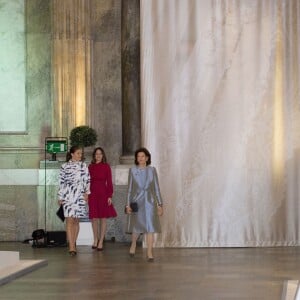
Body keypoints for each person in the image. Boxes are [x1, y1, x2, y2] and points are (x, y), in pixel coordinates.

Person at [125, 147, 163, 262]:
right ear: (136, 158)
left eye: (143, 156)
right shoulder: (132, 170)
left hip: (150, 202)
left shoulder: (152, 170)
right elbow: (130, 189)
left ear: (147, 158)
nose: (140, 158)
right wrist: (127, 205)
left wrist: (160, 204)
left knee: (150, 227)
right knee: (137, 227)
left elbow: (156, 188)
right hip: (136, 201)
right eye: (138, 156)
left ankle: (150, 251)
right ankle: (133, 244)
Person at [57, 145, 90, 256]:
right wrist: (60, 197)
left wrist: (87, 193)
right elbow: (61, 182)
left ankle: (73, 243)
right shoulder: (64, 166)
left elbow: (87, 180)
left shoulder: (84, 166)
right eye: (78, 153)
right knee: (69, 220)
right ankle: (71, 247)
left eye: (81, 154)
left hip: (80, 196)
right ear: (72, 154)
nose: (80, 155)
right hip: (68, 196)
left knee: (76, 220)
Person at [88, 147, 117, 251]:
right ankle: (95, 239)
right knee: (94, 218)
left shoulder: (106, 166)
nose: (98, 155)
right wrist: (86, 194)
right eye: (96, 154)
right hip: (92, 193)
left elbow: (109, 182)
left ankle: (101, 241)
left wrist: (109, 195)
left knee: (103, 218)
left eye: (100, 154)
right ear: (94, 155)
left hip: (103, 193)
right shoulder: (90, 166)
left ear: (103, 155)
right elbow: (87, 182)